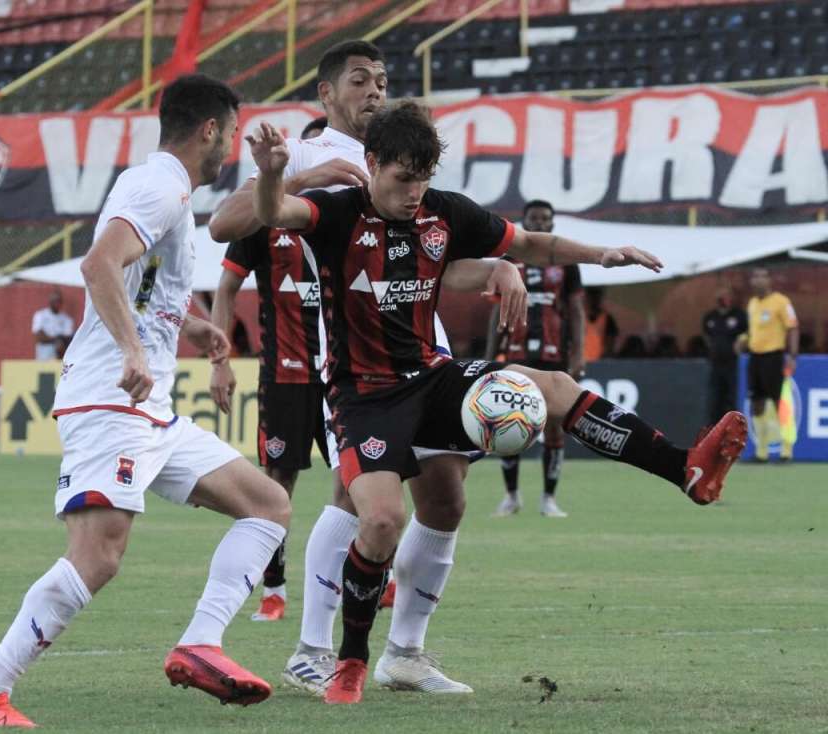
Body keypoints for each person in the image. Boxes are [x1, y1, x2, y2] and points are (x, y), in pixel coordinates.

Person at [248, 100, 748, 705]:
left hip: (432, 378)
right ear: (373, 163)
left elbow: (531, 242)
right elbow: (273, 211)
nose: (414, 193)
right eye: (403, 179)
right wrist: (274, 170)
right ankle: (349, 659)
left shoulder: (443, 213)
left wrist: (602, 255)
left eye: (424, 179)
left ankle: (685, 468)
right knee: (380, 520)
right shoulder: (336, 212)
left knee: (554, 388)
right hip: (364, 394)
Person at [0, 74, 293, 728]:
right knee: (99, 555)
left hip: (150, 413)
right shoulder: (157, 185)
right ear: (210, 130)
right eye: (230, 130)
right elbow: (99, 265)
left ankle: (201, 643)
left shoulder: (167, 191)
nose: (228, 146)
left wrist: (187, 325)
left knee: (268, 505)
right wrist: (135, 352)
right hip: (112, 401)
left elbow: (140, 282)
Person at [210, 39, 526, 696]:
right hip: (356, 355)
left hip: (424, 344)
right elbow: (224, 223)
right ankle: (312, 647)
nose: (374, 90)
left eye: (382, 79)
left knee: (447, 496)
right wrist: (293, 177)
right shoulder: (303, 151)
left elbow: (451, 249)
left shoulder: (405, 153)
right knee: (353, 497)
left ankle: (406, 652)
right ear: (325, 94)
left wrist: (499, 264)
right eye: (359, 80)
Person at [209, 116, 330, 626]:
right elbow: (225, 290)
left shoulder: (357, 217)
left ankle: (375, 579)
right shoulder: (265, 217)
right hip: (284, 373)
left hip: (343, 374)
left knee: (363, 477)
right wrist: (220, 361)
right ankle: (274, 591)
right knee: (277, 484)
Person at [487, 199, 584, 519]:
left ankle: (548, 499)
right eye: (534, 219)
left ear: (553, 225)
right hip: (515, 354)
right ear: (525, 221)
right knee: (508, 426)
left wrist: (578, 354)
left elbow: (575, 311)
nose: (540, 223)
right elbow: (495, 309)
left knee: (555, 429)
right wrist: (490, 355)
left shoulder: (567, 263)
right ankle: (511, 496)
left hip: (553, 355)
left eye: (545, 219)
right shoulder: (509, 260)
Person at [737, 267, 799, 462]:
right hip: (755, 357)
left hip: (774, 357)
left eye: (762, 276)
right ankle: (761, 451)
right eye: (755, 276)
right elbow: (754, 330)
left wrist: (792, 355)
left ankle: (787, 449)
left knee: (780, 402)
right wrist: (744, 339)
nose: (758, 280)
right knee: (756, 403)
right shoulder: (753, 303)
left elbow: (793, 327)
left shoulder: (781, 301)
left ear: (770, 280)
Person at [702, 288, 748, 425]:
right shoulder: (710, 316)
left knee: (733, 398)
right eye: (720, 295)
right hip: (715, 363)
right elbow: (706, 335)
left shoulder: (739, 315)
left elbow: (747, 333)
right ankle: (713, 432)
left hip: (733, 363)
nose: (722, 298)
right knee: (715, 400)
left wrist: (740, 345)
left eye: (725, 295)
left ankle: (734, 430)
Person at [31, 289, 75, 360]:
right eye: (54, 300)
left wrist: (57, 340)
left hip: (60, 354)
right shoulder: (40, 315)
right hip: (44, 352)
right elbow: (39, 336)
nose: (56, 303)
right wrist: (57, 340)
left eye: (58, 300)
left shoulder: (67, 319)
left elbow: (68, 338)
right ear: (50, 301)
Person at [583, 286, 619, 361]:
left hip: (601, 362)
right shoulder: (580, 317)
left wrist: (606, 356)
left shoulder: (607, 319)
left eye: (597, 296)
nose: (594, 300)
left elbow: (611, 341)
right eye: (591, 296)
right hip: (583, 360)